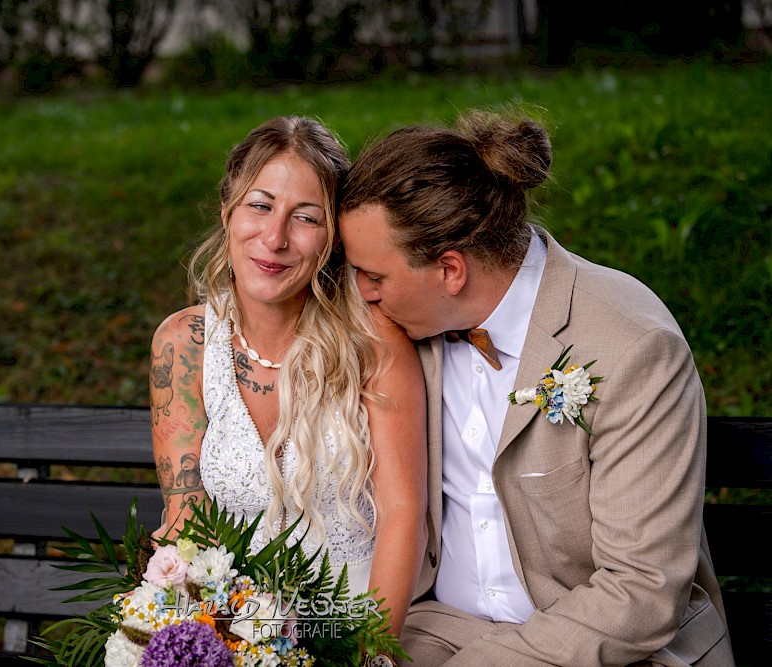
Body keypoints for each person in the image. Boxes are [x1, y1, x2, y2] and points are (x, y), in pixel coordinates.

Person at [337, 109, 734, 666]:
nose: (360, 294)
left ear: (451, 271)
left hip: (608, 646)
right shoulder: (403, 333)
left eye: (373, 277)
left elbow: (640, 591)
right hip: (440, 634)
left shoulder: (632, 345)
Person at [149, 116, 428, 639]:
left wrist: (371, 651)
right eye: (260, 206)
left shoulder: (373, 343)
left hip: (348, 627)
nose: (274, 239)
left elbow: (401, 511)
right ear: (228, 211)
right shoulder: (183, 345)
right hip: (230, 626)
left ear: (333, 238)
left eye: (305, 218)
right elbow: (185, 519)